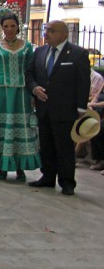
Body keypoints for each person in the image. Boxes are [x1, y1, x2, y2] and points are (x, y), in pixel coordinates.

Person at [26, 20, 90, 195]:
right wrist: (34, 88)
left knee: (64, 147)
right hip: (43, 107)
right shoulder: (39, 52)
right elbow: (30, 74)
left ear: (63, 34)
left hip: (65, 109)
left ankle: (67, 181)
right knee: (45, 145)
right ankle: (47, 177)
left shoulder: (77, 54)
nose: (46, 33)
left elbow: (83, 82)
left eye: (51, 31)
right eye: (46, 30)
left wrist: (81, 108)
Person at [0, 10, 40, 182]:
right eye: (6, 26)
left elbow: (31, 72)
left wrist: (32, 95)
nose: (9, 29)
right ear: (1, 27)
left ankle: (20, 167)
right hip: (1, 92)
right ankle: (2, 165)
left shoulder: (27, 46)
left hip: (21, 94)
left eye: (12, 26)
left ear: (17, 27)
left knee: (20, 129)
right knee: (2, 129)